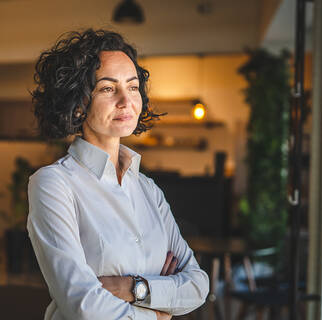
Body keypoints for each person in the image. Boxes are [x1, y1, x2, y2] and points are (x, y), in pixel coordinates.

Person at [27, 29, 209, 320]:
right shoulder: (52, 185)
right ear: (78, 106)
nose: (126, 100)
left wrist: (132, 288)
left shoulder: (148, 189)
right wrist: (159, 313)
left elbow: (198, 286)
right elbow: (84, 306)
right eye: (108, 88)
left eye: (133, 86)